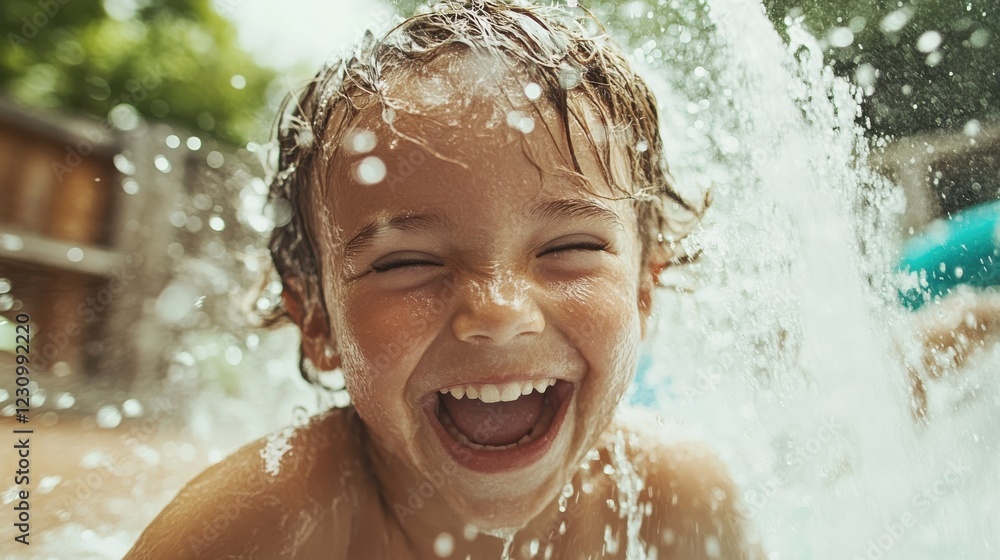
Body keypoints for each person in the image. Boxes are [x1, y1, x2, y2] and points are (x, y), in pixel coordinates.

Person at [125, 1, 762, 558]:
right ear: (316, 319)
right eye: (408, 262)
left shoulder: (678, 499)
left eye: (570, 247)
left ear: (644, 289)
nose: (500, 311)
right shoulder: (264, 525)